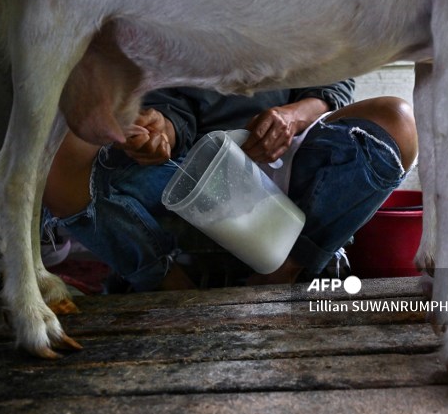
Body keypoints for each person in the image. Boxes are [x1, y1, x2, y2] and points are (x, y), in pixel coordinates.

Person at [42, 80, 418, 291]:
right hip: (190, 173)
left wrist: (292, 116)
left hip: (285, 164)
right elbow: (169, 105)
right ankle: (170, 286)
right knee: (58, 157)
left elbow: (334, 86)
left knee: (397, 121)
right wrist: (160, 130)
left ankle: (284, 267)